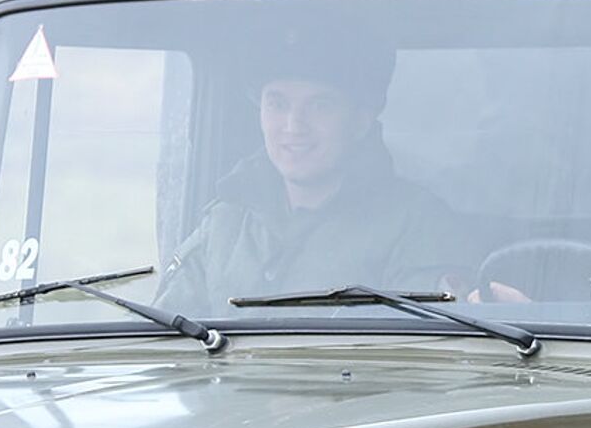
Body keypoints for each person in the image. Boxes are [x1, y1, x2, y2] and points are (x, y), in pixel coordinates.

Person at [163, 28, 477, 307]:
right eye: (278, 104)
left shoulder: (420, 227)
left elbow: (429, 345)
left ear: (360, 121)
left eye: (320, 106)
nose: (293, 126)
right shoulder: (224, 223)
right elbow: (165, 335)